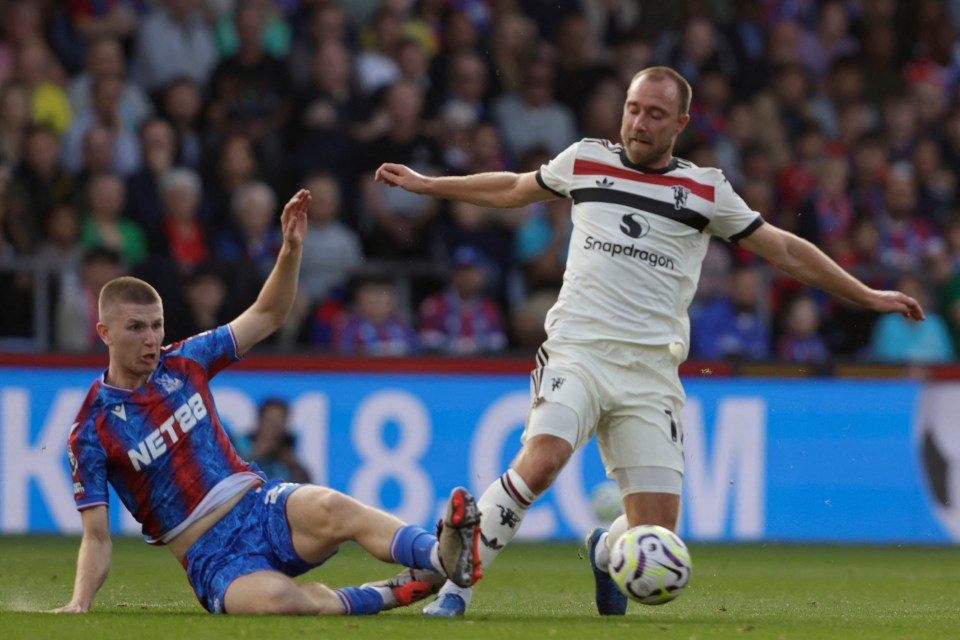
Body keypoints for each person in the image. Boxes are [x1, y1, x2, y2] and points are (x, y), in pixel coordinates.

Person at [373, 66, 926, 617]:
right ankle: (457, 589)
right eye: (633, 108)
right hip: (579, 351)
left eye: (655, 113)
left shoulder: (705, 191)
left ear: (680, 123)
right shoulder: (586, 160)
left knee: (656, 533)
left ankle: (605, 551)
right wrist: (429, 184)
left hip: (651, 373)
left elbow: (784, 249)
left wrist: (865, 293)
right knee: (541, 461)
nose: (639, 122)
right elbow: (515, 188)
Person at [53, 189, 482, 615]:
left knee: (335, 506)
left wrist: (291, 250)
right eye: (135, 328)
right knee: (278, 601)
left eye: (156, 326)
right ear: (105, 332)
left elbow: (267, 315)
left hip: (260, 506)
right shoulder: (92, 429)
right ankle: (392, 592)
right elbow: (96, 537)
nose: (150, 339)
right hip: (211, 557)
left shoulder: (184, 360)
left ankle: (441, 558)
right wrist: (78, 603)